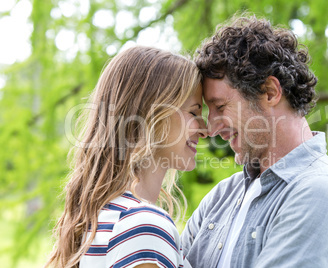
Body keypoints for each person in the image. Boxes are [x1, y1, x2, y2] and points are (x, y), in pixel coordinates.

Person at [181, 16, 328, 267]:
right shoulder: (222, 195)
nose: (210, 128)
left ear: (270, 92)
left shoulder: (320, 192)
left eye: (220, 106)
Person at [45, 46, 207, 268]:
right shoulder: (144, 226)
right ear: (151, 114)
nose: (205, 129)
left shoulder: (104, 218)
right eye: (194, 112)